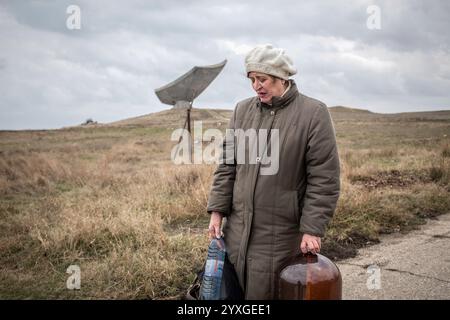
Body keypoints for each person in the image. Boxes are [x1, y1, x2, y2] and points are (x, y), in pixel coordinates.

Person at [206, 44, 340, 300]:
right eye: (252, 79)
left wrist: (312, 228)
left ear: (282, 77)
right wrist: (217, 211)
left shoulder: (313, 113)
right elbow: (227, 166)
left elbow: (324, 178)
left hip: (280, 236)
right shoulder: (241, 111)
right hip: (237, 233)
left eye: (262, 79)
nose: (256, 86)